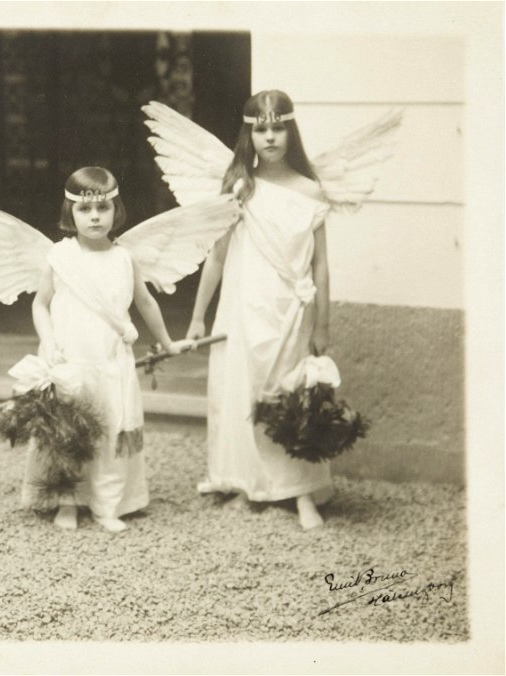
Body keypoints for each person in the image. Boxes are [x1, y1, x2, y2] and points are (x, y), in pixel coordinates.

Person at [184, 90, 334, 530]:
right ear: (249, 134)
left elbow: (321, 266)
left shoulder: (310, 190)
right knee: (242, 390)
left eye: (278, 127)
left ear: (291, 131)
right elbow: (215, 256)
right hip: (245, 306)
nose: (270, 137)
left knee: (291, 393)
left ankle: (301, 491)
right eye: (261, 128)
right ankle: (244, 480)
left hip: (291, 308)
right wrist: (197, 316)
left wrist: (323, 324)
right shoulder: (240, 187)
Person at [27, 167, 183, 532]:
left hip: (111, 360)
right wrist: (49, 343)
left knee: (112, 429)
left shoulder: (124, 258)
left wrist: (167, 341)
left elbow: (145, 303)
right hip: (71, 359)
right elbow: (40, 304)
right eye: (85, 209)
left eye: (103, 208)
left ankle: (107, 504)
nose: (95, 217)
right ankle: (68, 500)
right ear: (71, 213)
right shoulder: (59, 257)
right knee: (68, 431)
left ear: (116, 210)